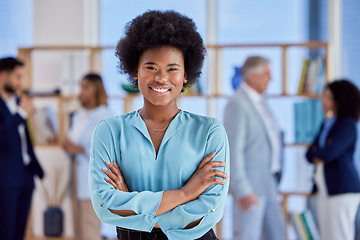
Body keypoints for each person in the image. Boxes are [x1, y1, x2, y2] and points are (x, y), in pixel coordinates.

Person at [89, 10, 229, 240]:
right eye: (151, 67)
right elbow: (105, 205)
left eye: (172, 69)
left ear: (185, 74)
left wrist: (131, 205)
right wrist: (185, 193)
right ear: (135, 71)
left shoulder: (210, 131)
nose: (161, 78)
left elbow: (209, 211)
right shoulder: (110, 131)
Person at [224, 56, 286, 240]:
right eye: (267, 74)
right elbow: (233, 150)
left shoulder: (261, 101)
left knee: (277, 234)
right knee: (247, 235)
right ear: (252, 75)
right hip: (250, 188)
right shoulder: (237, 104)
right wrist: (242, 188)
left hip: (269, 182)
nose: (271, 79)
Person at [306, 79, 360, 240]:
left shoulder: (347, 125)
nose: (323, 99)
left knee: (340, 235)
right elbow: (309, 154)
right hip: (325, 190)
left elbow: (329, 154)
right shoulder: (327, 123)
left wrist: (320, 152)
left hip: (342, 189)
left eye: (328, 96)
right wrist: (320, 152)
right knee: (327, 235)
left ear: (339, 100)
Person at [62, 73, 112, 240]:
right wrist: (69, 147)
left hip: (91, 177)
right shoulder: (79, 115)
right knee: (77, 224)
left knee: (89, 224)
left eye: (85, 87)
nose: (81, 91)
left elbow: (103, 149)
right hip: (76, 174)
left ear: (96, 90)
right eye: (81, 87)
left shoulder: (104, 115)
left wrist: (77, 148)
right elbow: (72, 142)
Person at [0, 57, 44, 240]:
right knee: (6, 232)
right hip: (5, 179)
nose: (20, 82)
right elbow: (2, 137)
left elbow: (25, 138)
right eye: (17, 77)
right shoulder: (16, 107)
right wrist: (20, 114)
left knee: (19, 233)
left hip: (25, 175)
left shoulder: (18, 101)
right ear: (3, 76)